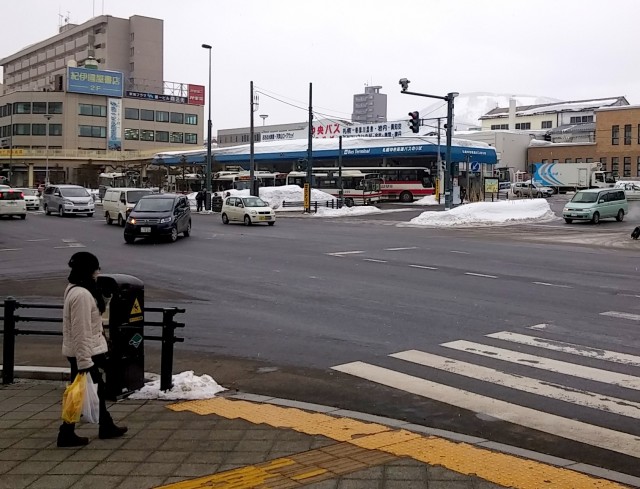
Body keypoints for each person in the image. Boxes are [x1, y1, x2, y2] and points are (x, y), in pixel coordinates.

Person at [57, 252, 127, 447]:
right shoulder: (81, 295)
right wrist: (84, 362)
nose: (98, 273)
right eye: (96, 269)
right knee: (80, 392)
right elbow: (80, 330)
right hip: (84, 353)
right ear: (88, 270)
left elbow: (94, 313)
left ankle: (105, 425)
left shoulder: (79, 289)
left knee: (91, 390)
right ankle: (67, 432)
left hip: (84, 351)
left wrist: (104, 297)